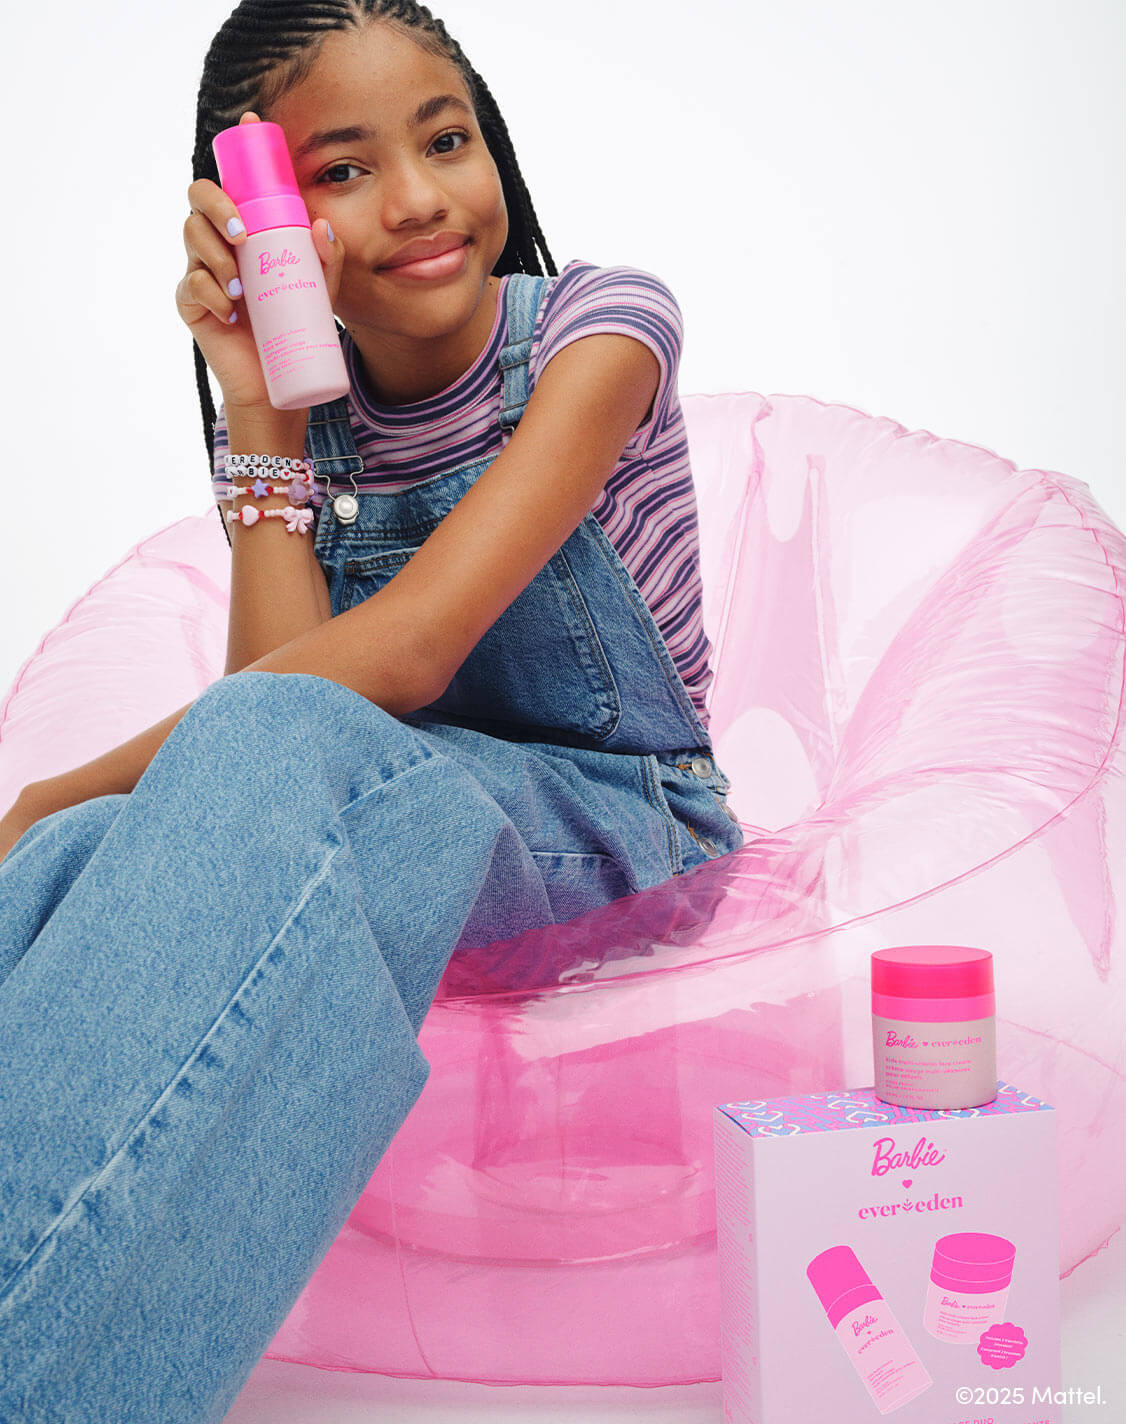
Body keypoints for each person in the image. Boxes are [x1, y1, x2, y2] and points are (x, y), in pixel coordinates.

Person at [0, 1, 743, 1419]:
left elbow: (395, 660)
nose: (416, 199)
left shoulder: (601, 331)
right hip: (405, 803)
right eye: (340, 171)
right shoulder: (307, 417)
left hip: (625, 825)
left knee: (139, 798)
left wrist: (57, 786)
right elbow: (280, 697)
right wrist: (261, 411)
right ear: (261, 222)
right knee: (74, 867)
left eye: (445, 141)